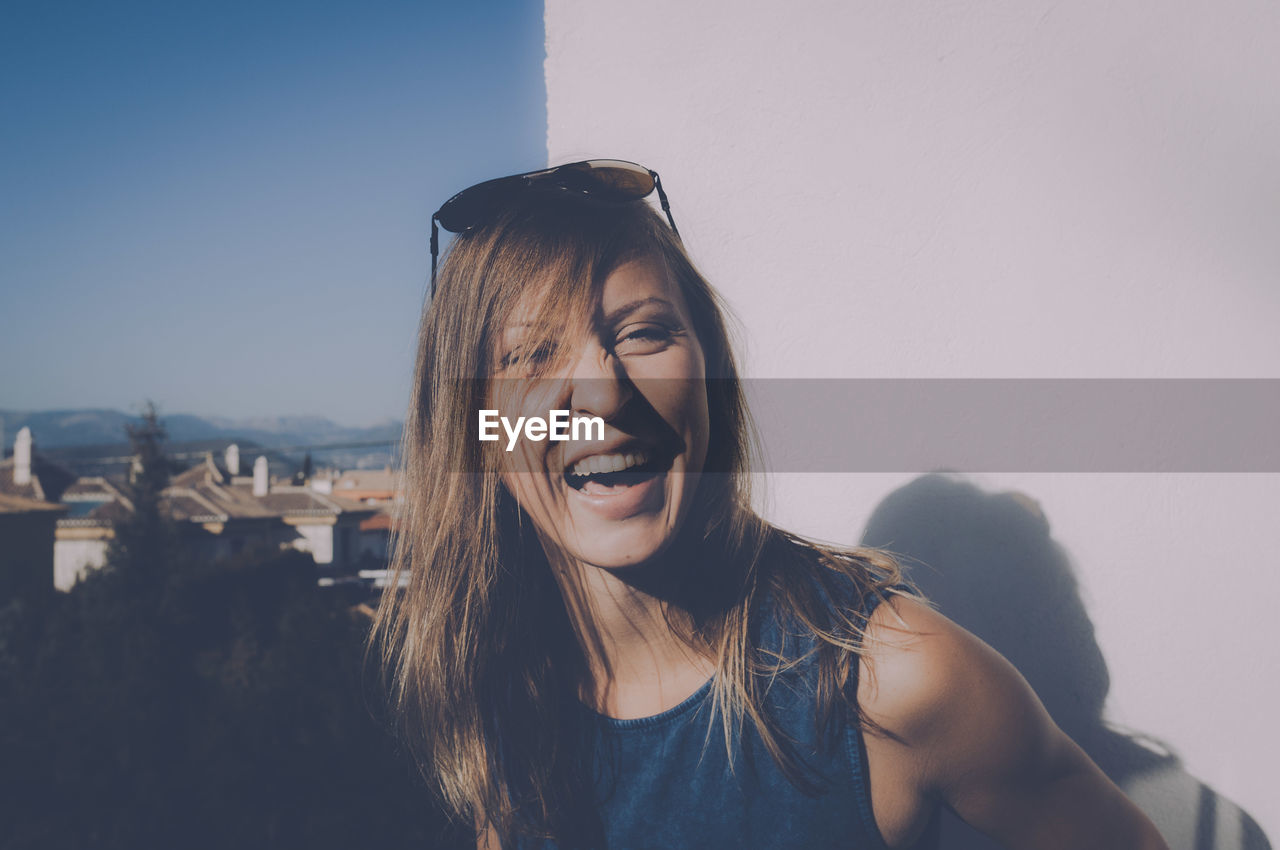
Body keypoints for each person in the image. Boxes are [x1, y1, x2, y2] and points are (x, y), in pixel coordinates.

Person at [370, 160, 1166, 850]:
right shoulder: (506, 673)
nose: (604, 392)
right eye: (532, 354)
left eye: (645, 334)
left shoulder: (894, 680)